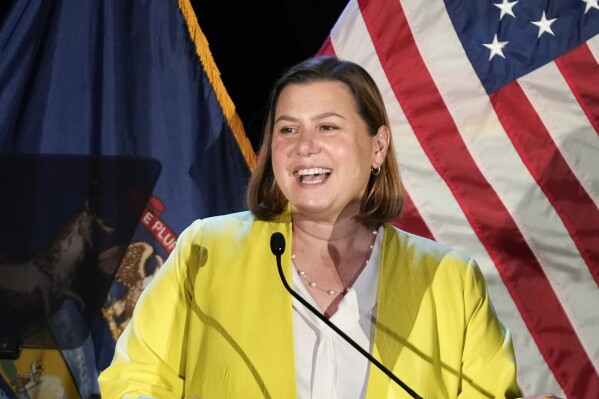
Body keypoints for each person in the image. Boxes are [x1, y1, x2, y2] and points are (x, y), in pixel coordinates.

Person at [98, 57, 559, 399]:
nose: (305, 147)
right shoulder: (206, 251)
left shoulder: (450, 282)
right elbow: (134, 382)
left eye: (328, 127)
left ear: (377, 147)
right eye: (288, 130)